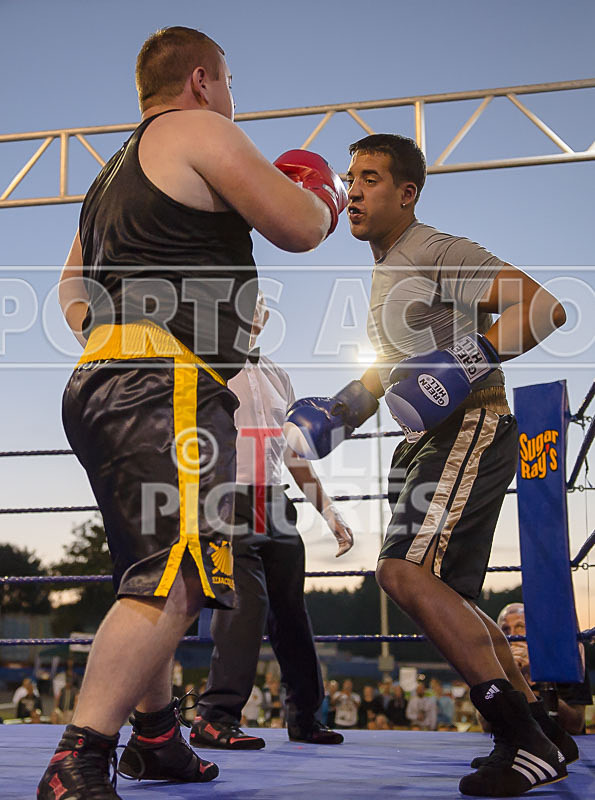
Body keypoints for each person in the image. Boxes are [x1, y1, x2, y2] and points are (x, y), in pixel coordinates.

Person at [37, 26, 346, 800]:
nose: (234, 98)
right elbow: (301, 229)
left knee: (149, 570)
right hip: (163, 383)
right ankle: (79, 758)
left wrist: (118, 332)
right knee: (176, 573)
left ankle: (155, 738)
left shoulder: (108, 175)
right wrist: (323, 194)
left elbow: (68, 288)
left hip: (101, 383)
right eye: (232, 82)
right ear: (202, 79)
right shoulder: (200, 128)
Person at [284, 133, 575, 796]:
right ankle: (538, 729)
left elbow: (540, 307)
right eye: (349, 178)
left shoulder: (435, 249)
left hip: (467, 424)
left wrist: (461, 364)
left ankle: (521, 738)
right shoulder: (388, 269)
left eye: (370, 178)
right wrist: (343, 410)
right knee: (452, 597)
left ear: (406, 192)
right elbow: (397, 369)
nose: (352, 191)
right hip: (433, 437)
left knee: (402, 571)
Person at [191, 292, 349, 749]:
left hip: (276, 503)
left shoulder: (279, 374)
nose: (253, 312)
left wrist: (329, 510)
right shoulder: (205, 364)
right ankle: (214, 717)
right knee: (244, 606)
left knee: (291, 613)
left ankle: (306, 717)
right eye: (245, 302)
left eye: (260, 304)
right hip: (224, 501)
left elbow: (295, 454)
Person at [491, 603, 592, 736]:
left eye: (520, 627)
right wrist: (509, 676)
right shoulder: (495, 662)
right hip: (514, 744)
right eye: (505, 629)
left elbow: (575, 725)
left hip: (562, 746)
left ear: (534, 630)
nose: (513, 634)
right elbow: (486, 724)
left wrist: (537, 685)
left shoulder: (567, 661)